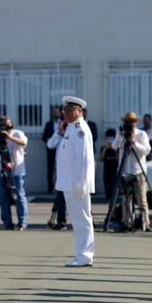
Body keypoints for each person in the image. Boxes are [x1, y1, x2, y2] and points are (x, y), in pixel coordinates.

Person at [53, 96, 95, 267]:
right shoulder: (71, 128)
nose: (66, 114)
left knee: (82, 219)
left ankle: (84, 255)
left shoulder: (80, 129)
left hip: (76, 184)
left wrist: (81, 183)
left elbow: (83, 158)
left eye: (70, 111)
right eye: (65, 111)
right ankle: (82, 253)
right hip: (69, 182)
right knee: (77, 219)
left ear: (79, 111)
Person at [112, 112, 151, 232]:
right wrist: (120, 136)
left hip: (138, 170)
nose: (130, 124)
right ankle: (126, 222)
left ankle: (145, 223)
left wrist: (134, 143)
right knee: (126, 199)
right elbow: (114, 146)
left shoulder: (141, 134)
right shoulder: (122, 134)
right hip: (125, 170)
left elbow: (147, 150)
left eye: (132, 122)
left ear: (136, 122)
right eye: (127, 122)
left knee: (141, 199)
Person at [0, 115, 29, 230]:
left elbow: (23, 143)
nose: (4, 125)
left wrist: (9, 137)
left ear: (11, 123)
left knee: (19, 196)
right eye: (2, 123)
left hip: (17, 170)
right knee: (2, 197)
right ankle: (7, 223)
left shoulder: (17, 133)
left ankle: (22, 222)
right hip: (1, 169)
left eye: (6, 123)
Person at [42, 107, 63, 194]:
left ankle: (60, 188)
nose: (56, 114)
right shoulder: (49, 124)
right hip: (51, 150)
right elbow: (44, 137)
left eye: (57, 112)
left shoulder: (64, 124)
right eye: (54, 112)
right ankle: (50, 188)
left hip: (62, 149)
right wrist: (51, 141)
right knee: (50, 169)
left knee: (60, 169)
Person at [99, 128, 118, 201]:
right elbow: (101, 159)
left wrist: (114, 148)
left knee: (115, 193)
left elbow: (119, 159)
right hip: (107, 173)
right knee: (109, 194)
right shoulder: (103, 148)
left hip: (115, 172)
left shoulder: (117, 148)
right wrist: (106, 148)